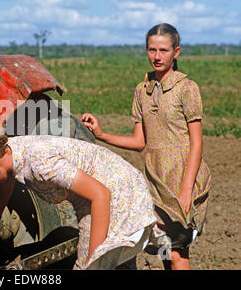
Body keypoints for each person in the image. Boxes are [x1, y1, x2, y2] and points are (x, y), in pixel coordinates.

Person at [81, 23, 211, 270]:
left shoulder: (186, 88)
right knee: (163, 248)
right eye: (152, 50)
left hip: (183, 176)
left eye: (163, 50)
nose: (157, 56)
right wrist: (100, 134)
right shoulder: (142, 91)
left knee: (177, 250)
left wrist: (186, 190)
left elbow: (197, 142)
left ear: (176, 52)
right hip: (154, 179)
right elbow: (139, 142)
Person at [0, 134, 158, 270]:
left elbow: (101, 194)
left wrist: (94, 260)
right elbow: (0, 197)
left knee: (92, 265)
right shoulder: (8, 153)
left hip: (118, 194)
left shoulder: (39, 162)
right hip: (97, 196)